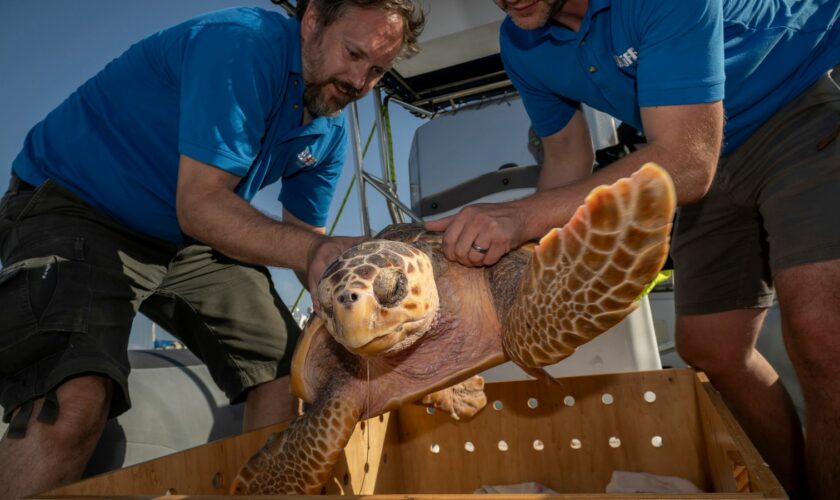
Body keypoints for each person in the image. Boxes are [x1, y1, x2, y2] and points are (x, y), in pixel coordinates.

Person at [0, 0, 424, 498]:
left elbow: (307, 246)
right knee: (73, 400)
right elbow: (201, 205)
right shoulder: (241, 45)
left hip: (186, 236)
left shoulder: (327, 132)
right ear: (311, 22)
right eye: (352, 54)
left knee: (291, 372)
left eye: (377, 70)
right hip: (80, 204)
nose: (359, 81)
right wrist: (315, 253)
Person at [426, 0, 839, 497]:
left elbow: (687, 162)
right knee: (712, 348)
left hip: (802, 101)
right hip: (706, 150)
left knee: (823, 336)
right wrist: (511, 277)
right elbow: (566, 156)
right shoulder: (521, 42)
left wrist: (519, 217)